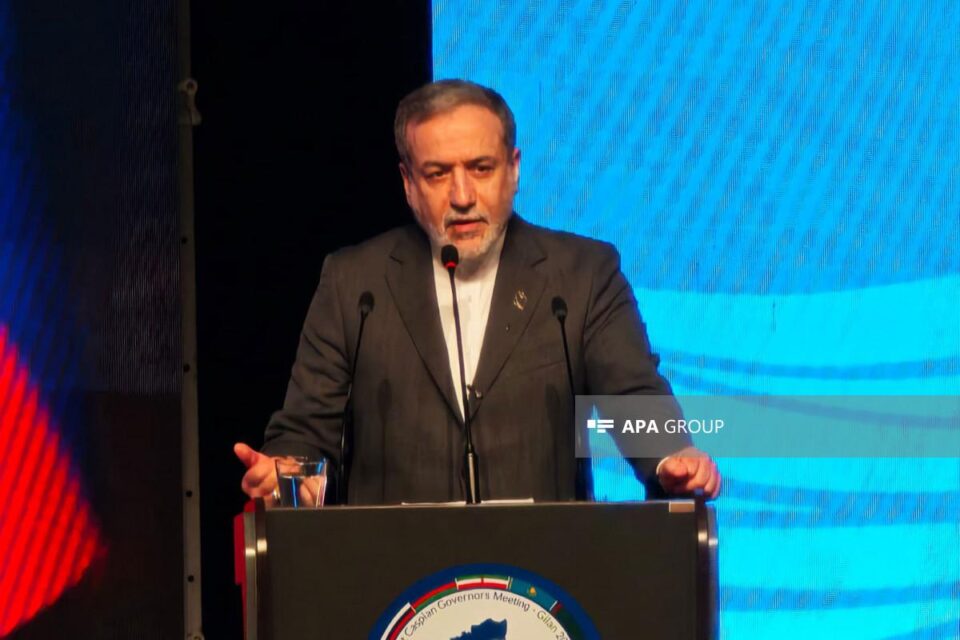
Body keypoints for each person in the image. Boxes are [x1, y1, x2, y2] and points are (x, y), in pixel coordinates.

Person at [234, 79, 720, 505]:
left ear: (514, 169)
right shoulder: (354, 283)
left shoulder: (581, 275)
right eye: (438, 174)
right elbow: (305, 431)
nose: (462, 196)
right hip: (393, 572)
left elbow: (633, 398)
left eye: (481, 168)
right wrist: (290, 476)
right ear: (408, 183)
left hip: (544, 569)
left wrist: (671, 457)